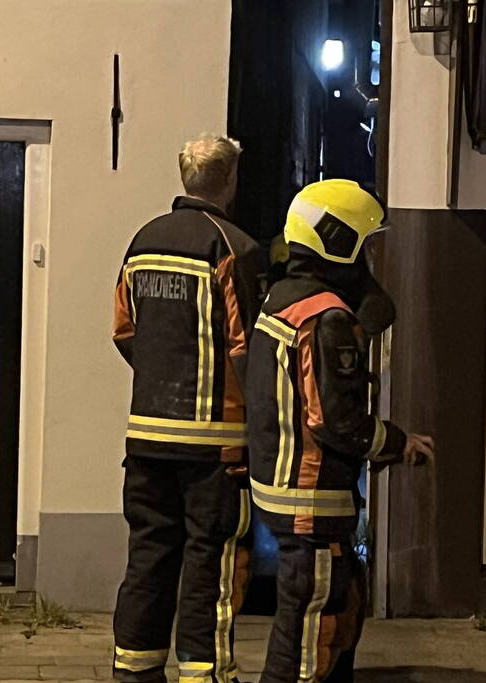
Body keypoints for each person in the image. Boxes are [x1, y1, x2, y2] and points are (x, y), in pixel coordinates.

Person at [247, 179, 435, 682]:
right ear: (338, 240)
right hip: (311, 496)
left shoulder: (281, 297)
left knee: (324, 609)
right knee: (316, 626)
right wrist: (396, 442)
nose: (369, 259)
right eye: (365, 244)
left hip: (283, 486)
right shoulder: (326, 318)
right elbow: (334, 419)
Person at [111, 134, 264, 683]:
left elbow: (123, 330)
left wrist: (161, 379)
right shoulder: (234, 248)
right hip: (213, 444)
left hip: (146, 436)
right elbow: (247, 348)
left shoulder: (142, 241)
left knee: (148, 556)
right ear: (229, 181)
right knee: (212, 563)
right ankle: (205, 674)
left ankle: (133, 670)